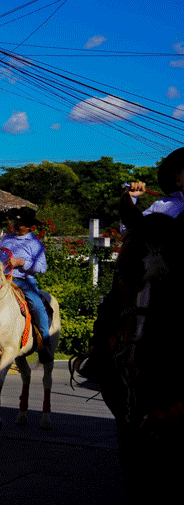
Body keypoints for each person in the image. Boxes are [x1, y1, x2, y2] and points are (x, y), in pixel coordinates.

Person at [73, 146, 184, 379]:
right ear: (178, 178)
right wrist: (131, 199)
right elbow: (132, 231)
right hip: (160, 275)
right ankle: (98, 353)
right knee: (111, 301)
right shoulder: (164, 206)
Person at [0, 206, 49, 344]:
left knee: (38, 307)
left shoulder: (35, 244)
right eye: (15, 223)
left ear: (28, 226)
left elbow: (42, 268)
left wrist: (21, 262)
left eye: (20, 224)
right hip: (3, 280)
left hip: (24, 282)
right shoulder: (6, 239)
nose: (16, 226)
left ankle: (46, 342)